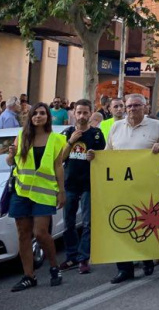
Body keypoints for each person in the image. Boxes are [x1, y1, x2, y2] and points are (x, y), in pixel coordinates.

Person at [108, 94, 159, 284]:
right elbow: (107, 154)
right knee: (122, 224)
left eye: (137, 105)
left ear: (145, 107)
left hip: (147, 185)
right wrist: (94, 158)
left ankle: (147, 259)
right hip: (121, 186)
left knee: (146, 223)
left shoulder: (156, 126)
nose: (132, 109)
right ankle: (124, 268)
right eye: (129, 106)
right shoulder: (116, 127)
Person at [5, 102, 66, 291]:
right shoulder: (22, 136)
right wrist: (10, 155)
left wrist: (61, 191)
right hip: (21, 192)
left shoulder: (56, 139)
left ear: (48, 117)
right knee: (23, 234)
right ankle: (29, 276)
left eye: (42, 113)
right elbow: (11, 162)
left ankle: (54, 267)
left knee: (40, 233)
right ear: (30, 117)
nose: (38, 116)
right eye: (35, 113)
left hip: (44, 192)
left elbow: (58, 166)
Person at [58, 99, 105, 274]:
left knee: (87, 223)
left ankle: (83, 258)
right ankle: (71, 256)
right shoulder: (67, 133)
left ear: (91, 113)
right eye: (79, 112)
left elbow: (104, 157)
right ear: (74, 113)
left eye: (85, 112)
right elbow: (60, 159)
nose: (82, 116)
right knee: (68, 223)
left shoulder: (97, 134)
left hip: (88, 183)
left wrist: (95, 156)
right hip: (70, 183)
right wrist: (71, 141)